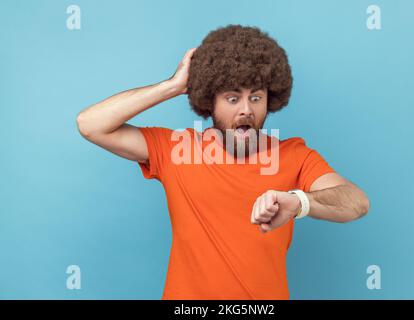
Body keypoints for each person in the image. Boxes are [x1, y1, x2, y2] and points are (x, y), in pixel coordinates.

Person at [76, 24, 370, 300]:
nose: (246, 110)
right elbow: (91, 124)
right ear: (209, 102)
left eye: (256, 98)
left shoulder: (294, 156)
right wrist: (173, 86)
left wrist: (299, 202)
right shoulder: (178, 149)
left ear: (270, 100)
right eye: (232, 99)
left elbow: (356, 203)